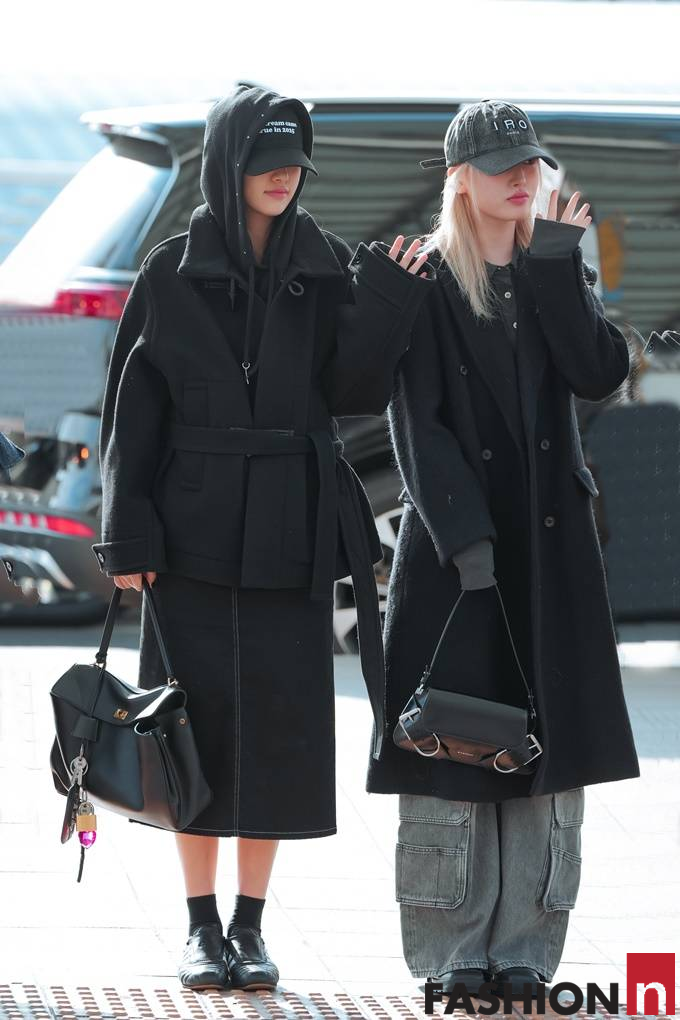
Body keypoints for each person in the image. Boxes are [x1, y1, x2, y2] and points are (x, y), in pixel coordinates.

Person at [91, 85, 434, 993]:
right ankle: (199, 927)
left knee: (278, 734)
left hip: (292, 531)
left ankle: (250, 927)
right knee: (187, 733)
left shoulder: (325, 267)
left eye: (295, 163)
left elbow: (354, 392)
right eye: (265, 161)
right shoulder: (168, 273)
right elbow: (132, 415)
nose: (284, 177)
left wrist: (389, 300)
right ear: (225, 164)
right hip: (187, 539)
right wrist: (127, 536)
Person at [365, 100, 640, 999]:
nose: (521, 179)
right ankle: (452, 953)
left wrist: (561, 267)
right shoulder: (428, 274)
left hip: (551, 554)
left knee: (544, 752)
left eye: (529, 163)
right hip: (458, 552)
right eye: (499, 167)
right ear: (459, 179)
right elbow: (417, 423)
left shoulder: (550, 261)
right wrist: (467, 541)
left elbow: (600, 373)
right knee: (453, 745)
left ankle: (526, 949)